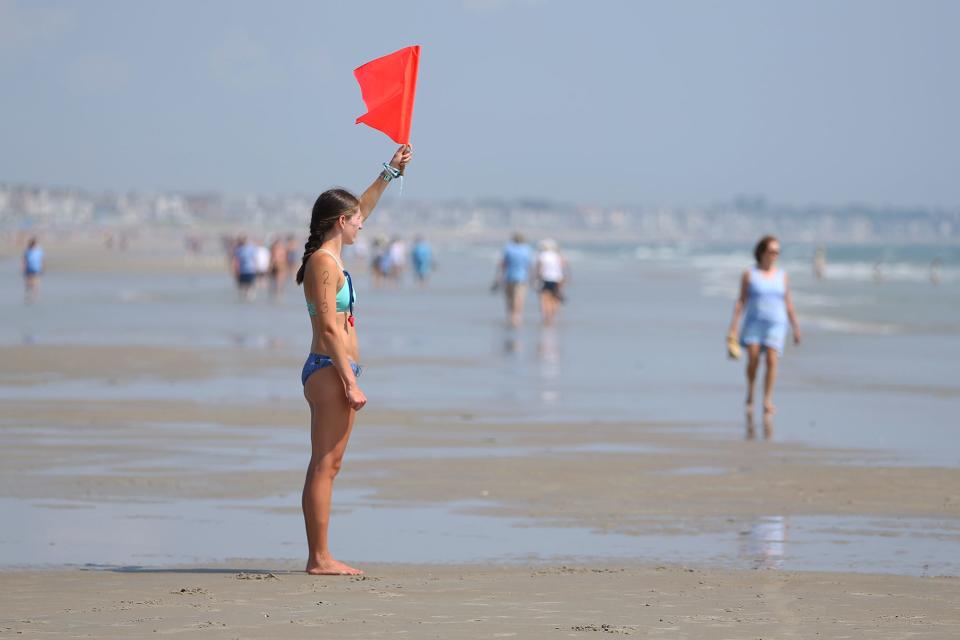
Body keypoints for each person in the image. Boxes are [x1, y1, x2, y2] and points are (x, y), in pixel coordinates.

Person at [296, 144, 412, 575]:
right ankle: (320, 558)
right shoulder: (324, 264)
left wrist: (390, 171)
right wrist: (350, 380)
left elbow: (362, 204)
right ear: (339, 223)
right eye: (356, 220)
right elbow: (329, 328)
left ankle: (320, 556)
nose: (363, 223)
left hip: (335, 370)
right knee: (325, 464)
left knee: (331, 464)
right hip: (330, 370)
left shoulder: (331, 255)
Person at [727, 235, 801, 417]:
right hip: (754, 322)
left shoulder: (782, 276)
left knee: (771, 360)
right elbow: (741, 301)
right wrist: (734, 326)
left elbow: (788, 302)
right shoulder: (750, 274)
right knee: (753, 360)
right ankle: (751, 391)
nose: (775, 255)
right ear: (762, 252)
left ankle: (767, 399)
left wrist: (796, 327)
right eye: (771, 251)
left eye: (777, 252)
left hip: (776, 324)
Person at [495, 233, 534, 327]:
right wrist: (532, 277)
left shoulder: (508, 249)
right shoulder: (527, 249)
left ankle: (510, 315)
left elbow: (503, 263)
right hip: (522, 277)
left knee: (509, 298)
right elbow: (529, 264)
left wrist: (499, 276)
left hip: (509, 277)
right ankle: (517, 316)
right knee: (519, 297)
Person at [535, 238, 567, 326]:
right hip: (557, 279)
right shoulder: (557, 255)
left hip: (545, 278)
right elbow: (563, 266)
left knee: (544, 298)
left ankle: (546, 317)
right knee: (554, 298)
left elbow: (539, 267)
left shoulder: (542, 255)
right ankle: (552, 317)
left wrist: (536, 277)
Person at [232, 234, 258, 301]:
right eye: (241, 240)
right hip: (241, 270)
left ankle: (249, 297)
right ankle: (243, 297)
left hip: (250, 269)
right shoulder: (238, 249)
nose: (242, 241)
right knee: (242, 285)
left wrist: (256, 267)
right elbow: (236, 260)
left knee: (250, 284)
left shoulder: (251, 248)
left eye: (243, 239)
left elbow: (254, 258)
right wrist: (235, 269)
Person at [23, 237, 44, 303]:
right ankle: (29, 294)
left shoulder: (39, 250)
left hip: (36, 268)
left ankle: (35, 295)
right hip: (29, 268)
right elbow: (25, 260)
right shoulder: (27, 251)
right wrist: (24, 267)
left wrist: (42, 267)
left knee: (36, 281)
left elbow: (42, 259)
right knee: (29, 282)